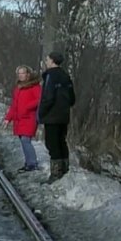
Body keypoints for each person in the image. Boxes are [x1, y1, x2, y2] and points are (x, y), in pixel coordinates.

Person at [39, 51, 75, 183]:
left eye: (47, 59)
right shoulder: (66, 76)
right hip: (64, 115)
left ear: (52, 61)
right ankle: (65, 170)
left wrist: (41, 112)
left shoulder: (50, 76)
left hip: (52, 116)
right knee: (61, 141)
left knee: (52, 143)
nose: (46, 62)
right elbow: (72, 98)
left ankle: (55, 174)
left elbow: (48, 97)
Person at [3, 65, 42, 172]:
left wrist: (27, 106)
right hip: (19, 119)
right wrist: (8, 118)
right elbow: (14, 105)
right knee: (23, 140)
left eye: (22, 73)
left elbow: (39, 100)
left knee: (26, 140)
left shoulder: (35, 87)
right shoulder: (18, 88)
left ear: (28, 74)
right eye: (19, 73)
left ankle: (32, 163)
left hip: (29, 118)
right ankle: (28, 162)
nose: (20, 75)